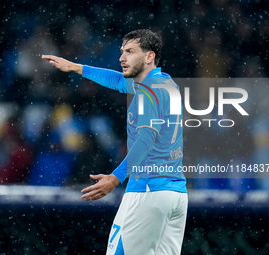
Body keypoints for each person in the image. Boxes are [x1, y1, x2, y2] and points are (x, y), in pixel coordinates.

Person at [42, 29, 188, 255]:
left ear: (149, 56)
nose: (121, 58)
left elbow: (146, 139)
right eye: (122, 52)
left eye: (130, 52)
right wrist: (77, 67)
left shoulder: (149, 90)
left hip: (147, 191)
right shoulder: (164, 83)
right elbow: (119, 82)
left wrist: (115, 178)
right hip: (175, 194)